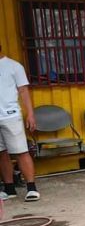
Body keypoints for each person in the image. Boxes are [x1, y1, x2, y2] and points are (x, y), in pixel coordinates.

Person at [0, 46, 39, 201]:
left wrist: (30, 114)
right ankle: (9, 189)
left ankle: (31, 188)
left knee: (21, 151)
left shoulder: (14, 66)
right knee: (1, 153)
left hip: (11, 116)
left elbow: (23, 91)